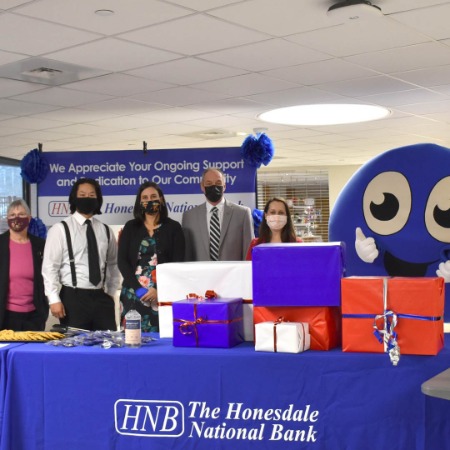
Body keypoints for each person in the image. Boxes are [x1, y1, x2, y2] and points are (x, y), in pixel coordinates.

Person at [42, 178, 120, 331]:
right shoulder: (60, 229)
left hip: (101, 297)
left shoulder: (105, 230)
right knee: (75, 349)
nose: (87, 198)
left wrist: (111, 293)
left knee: (108, 345)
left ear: (98, 200)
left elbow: (113, 264)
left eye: (92, 195)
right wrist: (53, 299)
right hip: (73, 298)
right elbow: (49, 267)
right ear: (74, 198)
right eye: (82, 194)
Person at [118, 181, 185, 332]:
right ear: (139, 202)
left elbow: (177, 263)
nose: (149, 200)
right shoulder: (130, 227)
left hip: (162, 293)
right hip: (133, 294)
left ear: (161, 199)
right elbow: (122, 261)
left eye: (153, 196)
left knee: (162, 339)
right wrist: (137, 288)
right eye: (145, 198)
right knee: (132, 340)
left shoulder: (174, 227)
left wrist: (158, 289)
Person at [182, 167, 254, 261]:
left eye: (218, 183)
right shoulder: (189, 216)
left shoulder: (242, 214)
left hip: (233, 274)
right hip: (200, 274)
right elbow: (186, 254)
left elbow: (249, 252)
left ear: (224, 186)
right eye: (209, 183)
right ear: (202, 186)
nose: (214, 186)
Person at [0, 199, 48, 331]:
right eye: (12, 215)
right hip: (5, 317)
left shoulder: (40, 245)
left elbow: (47, 277)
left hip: (34, 316)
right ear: (7, 219)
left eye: (21, 214)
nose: (16, 218)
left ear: (29, 217)